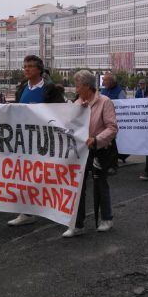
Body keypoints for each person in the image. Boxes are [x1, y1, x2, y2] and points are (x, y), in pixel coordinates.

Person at [7, 55, 67, 226]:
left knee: (44, 176)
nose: (26, 69)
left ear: (39, 69)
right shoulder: (22, 88)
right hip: (24, 140)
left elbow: (61, 112)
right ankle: (26, 212)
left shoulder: (49, 89)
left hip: (43, 140)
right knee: (25, 176)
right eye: (25, 66)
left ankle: (52, 207)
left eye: (30, 66)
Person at [63, 70, 118, 238]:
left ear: (87, 86)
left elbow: (112, 127)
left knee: (100, 183)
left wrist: (96, 139)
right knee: (78, 187)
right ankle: (77, 224)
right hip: (80, 151)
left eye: (78, 85)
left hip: (99, 150)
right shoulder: (77, 102)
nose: (76, 89)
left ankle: (106, 218)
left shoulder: (105, 102)